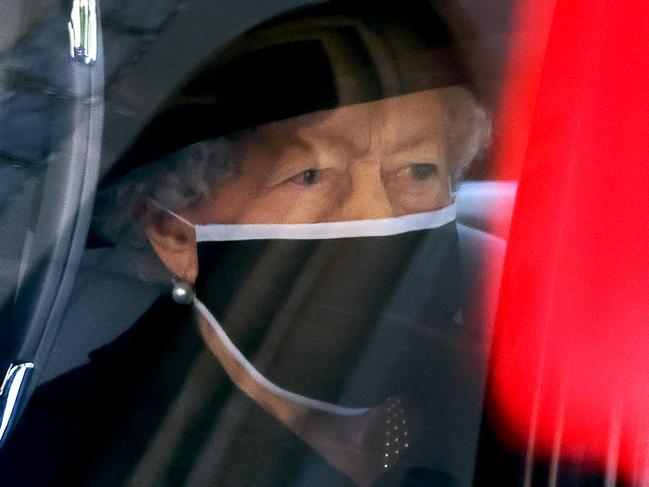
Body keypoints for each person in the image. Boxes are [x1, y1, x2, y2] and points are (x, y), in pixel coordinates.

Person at [0, 1, 495, 486]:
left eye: (419, 170)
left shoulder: (508, 400)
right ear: (174, 235)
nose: (383, 213)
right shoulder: (67, 455)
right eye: (310, 175)